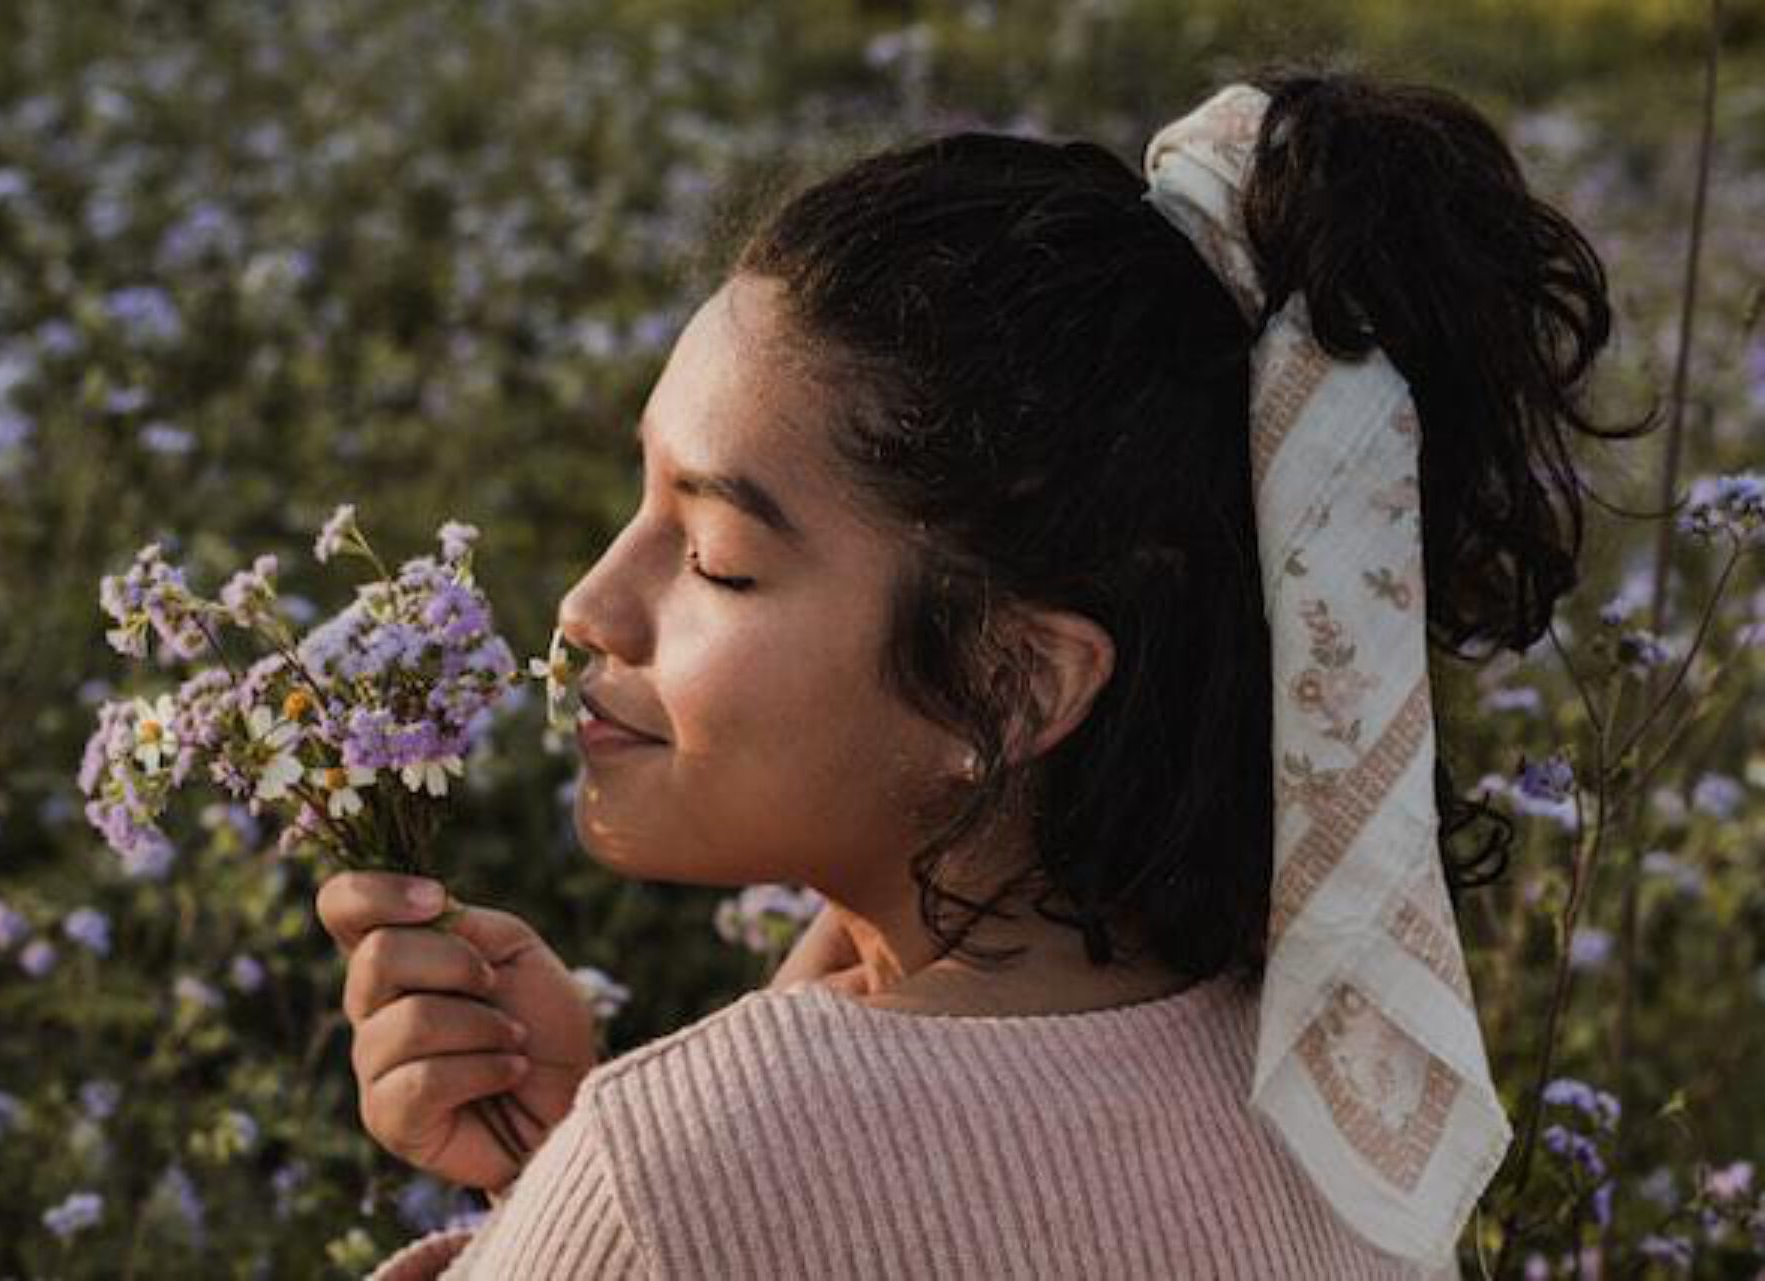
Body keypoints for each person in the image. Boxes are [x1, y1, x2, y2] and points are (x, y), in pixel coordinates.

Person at [315, 65, 1642, 1279]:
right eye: (638, 502)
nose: (592, 604)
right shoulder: (1332, 1096)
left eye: (716, 555)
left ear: (1016, 685)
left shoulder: (683, 1180)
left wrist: (591, 1205)